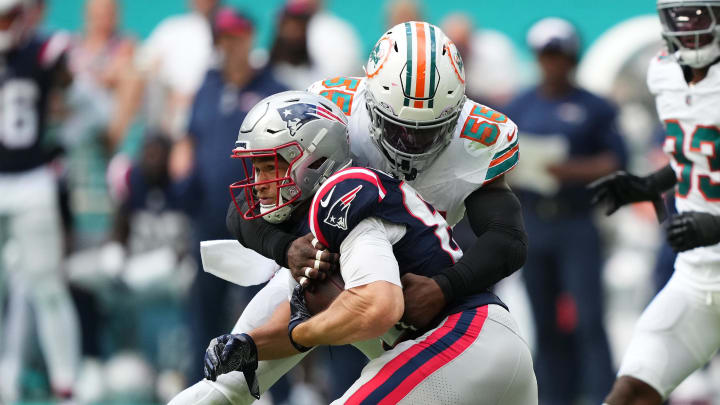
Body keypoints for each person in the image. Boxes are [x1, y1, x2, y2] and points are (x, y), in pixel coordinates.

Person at [173, 21, 529, 403]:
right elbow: (247, 202)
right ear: (371, 103)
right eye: (397, 128)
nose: (410, 143)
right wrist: (286, 250)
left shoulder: (478, 138)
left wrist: (445, 287)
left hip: (415, 299)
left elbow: (507, 239)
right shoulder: (335, 109)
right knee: (226, 383)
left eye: (427, 132)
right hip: (327, 270)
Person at [589, 1, 720, 403]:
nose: (690, 26)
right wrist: (649, 184)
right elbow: (697, 161)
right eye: (681, 16)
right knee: (629, 393)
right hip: (698, 277)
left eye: (700, 14)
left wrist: (714, 225)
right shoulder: (664, 72)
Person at [502, 17, 626, 404]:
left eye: (559, 54)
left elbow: (615, 161)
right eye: (546, 54)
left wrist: (564, 171)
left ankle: (605, 395)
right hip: (534, 221)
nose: (552, 62)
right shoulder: (521, 104)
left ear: (572, 57)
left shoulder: (594, 107)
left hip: (576, 221)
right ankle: (553, 396)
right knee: (543, 321)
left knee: (589, 318)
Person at [168, 6, 287, 385]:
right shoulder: (208, 85)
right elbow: (190, 137)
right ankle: (201, 387)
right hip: (209, 214)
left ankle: (276, 391)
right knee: (204, 307)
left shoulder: (273, 87)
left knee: (267, 307)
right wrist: (182, 167)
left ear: (250, 38)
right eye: (223, 38)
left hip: (261, 216)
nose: (229, 45)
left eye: (236, 37)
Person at [0, 0, 80, 401]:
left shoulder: (44, 52)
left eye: (11, 16)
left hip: (31, 179)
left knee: (47, 286)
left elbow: (70, 84)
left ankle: (65, 383)